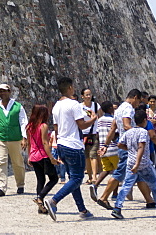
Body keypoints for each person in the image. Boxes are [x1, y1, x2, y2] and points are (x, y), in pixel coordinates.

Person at [44, 77, 97, 221]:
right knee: (77, 178)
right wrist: (94, 118)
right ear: (69, 88)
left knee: (73, 178)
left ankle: (83, 210)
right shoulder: (73, 104)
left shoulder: (56, 106)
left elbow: (56, 129)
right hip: (73, 145)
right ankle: (54, 201)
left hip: (61, 144)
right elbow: (82, 125)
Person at [94, 90, 153, 210]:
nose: (138, 104)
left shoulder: (119, 109)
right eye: (138, 101)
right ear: (135, 97)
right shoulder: (128, 109)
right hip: (128, 146)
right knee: (119, 173)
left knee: (139, 172)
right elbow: (126, 125)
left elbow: (113, 128)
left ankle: (150, 200)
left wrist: (105, 145)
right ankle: (104, 197)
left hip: (123, 145)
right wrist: (139, 135)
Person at [110, 110, 156, 219]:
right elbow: (141, 147)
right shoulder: (144, 132)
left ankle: (117, 208)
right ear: (145, 120)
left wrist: (129, 150)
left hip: (130, 162)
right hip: (144, 163)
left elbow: (119, 144)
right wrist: (138, 163)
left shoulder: (128, 132)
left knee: (126, 186)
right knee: (155, 187)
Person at [0, 83, 28, 196]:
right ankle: (1, 187)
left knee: (17, 162)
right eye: (0, 91)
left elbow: (23, 122)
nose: (3, 93)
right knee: (1, 162)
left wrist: (24, 137)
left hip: (15, 138)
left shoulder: (17, 106)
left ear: (9, 92)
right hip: (1, 138)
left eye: (5, 91)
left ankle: (20, 184)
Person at [26, 103, 57, 213]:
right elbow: (45, 142)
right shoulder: (43, 126)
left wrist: (29, 156)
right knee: (54, 178)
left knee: (40, 180)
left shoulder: (29, 126)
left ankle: (41, 207)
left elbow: (29, 143)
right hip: (43, 155)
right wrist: (51, 157)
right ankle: (40, 197)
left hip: (34, 156)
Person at [89, 101, 118, 208]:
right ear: (110, 108)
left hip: (102, 149)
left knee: (106, 170)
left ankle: (95, 185)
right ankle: (114, 194)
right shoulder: (113, 120)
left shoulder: (100, 120)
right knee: (117, 172)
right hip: (113, 149)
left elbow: (97, 135)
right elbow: (115, 133)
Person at [80, 88, 100, 183]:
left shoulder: (96, 106)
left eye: (90, 94)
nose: (88, 96)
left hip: (93, 133)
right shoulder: (79, 107)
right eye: (86, 95)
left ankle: (95, 176)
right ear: (82, 96)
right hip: (83, 134)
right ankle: (90, 176)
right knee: (86, 156)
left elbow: (99, 118)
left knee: (93, 155)